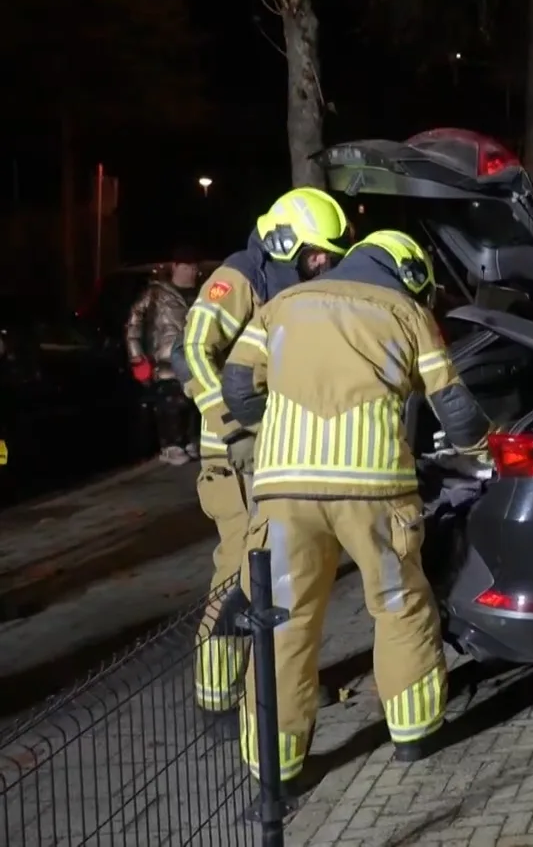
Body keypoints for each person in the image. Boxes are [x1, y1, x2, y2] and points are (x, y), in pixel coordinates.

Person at [220, 230, 492, 780]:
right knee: (397, 606)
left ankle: (277, 767)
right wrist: (488, 450)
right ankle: (415, 733)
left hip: (284, 495)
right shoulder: (409, 315)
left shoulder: (279, 307)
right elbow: (456, 411)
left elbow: (239, 392)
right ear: (412, 274)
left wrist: (283, 431)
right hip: (375, 491)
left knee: (284, 619)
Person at [176, 187, 353, 716]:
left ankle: (276, 685)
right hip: (234, 462)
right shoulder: (239, 280)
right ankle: (218, 698)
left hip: (275, 456)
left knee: (280, 573)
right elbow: (192, 351)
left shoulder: (293, 285)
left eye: (329, 256)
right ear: (283, 242)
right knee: (239, 574)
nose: (322, 265)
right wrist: (234, 427)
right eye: (315, 254)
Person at [126, 258, 199, 465]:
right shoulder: (156, 293)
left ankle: (189, 440)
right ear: (175, 267)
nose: (191, 272)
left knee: (192, 402)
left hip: (192, 361)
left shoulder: (200, 294)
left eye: (194, 267)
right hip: (164, 361)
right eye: (187, 266)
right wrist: (136, 355)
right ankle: (171, 445)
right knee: (170, 402)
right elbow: (134, 322)